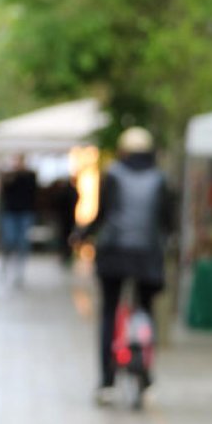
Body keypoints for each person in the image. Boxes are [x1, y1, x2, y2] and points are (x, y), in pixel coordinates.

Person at [82, 127, 172, 406]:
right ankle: (145, 377)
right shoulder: (160, 178)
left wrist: (82, 232)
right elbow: (166, 221)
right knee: (145, 310)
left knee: (110, 312)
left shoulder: (114, 173)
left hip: (114, 253)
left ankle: (106, 381)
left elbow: (102, 214)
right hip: (147, 255)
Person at [0, 154, 37, 286]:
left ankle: (19, 270)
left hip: (25, 212)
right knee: (9, 239)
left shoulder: (29, 176)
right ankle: (5, 264)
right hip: (10, 212)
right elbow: (2, 191)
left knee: (22, 242)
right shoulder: (9, 176)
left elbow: (33, 192)